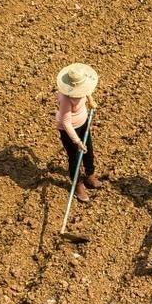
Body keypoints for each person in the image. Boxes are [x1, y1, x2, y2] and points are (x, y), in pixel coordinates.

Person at [55, 63, 100, 202]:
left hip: (83, 121)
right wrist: (77, 141)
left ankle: (90, 174)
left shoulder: (81, 88)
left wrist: (91, 100)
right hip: (70, 131)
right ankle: (78, 184)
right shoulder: (66, 99)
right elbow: (66, 123)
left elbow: (86, 91)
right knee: (75, 157)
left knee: (89, 151)